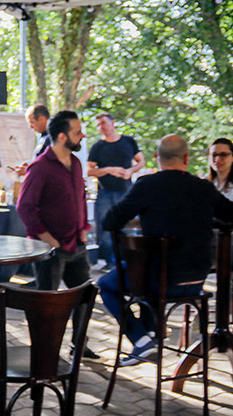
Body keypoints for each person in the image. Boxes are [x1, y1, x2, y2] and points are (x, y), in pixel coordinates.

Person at [98, 134, 233, 365]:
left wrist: (141, 218)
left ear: (155, 157)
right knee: (148, 273)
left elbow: (110, 221)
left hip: (159, 281)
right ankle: (151, 335)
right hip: (197, 281)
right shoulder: (204, 187)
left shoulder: (147, 185)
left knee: (106, 285)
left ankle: (141, 339)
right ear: (187, 158)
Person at [16, 110, 98, 359]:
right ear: (62, 137)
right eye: (77, 132)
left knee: (85, 296)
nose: (82, 135)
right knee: (48, 304)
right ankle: (45, 352)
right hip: (50, 249)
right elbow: (25, 207)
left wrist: (83, 228)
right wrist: (46, 237)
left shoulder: (76, 163)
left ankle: (79, 345)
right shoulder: (40, 167)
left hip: (76, 244)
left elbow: (80, 198)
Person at [88, 112, 145, 269]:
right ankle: (111, 262)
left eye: (103, 123)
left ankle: (130, 260)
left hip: (127, 191)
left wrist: (131, 171)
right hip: (105, 193)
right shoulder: (98, 146)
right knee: (106, 227)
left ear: (112, 123)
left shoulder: (128, 141)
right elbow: (89, 170)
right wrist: (108, 170)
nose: (101, 127)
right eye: (98, 125)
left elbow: (141, 161)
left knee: (129, 225)